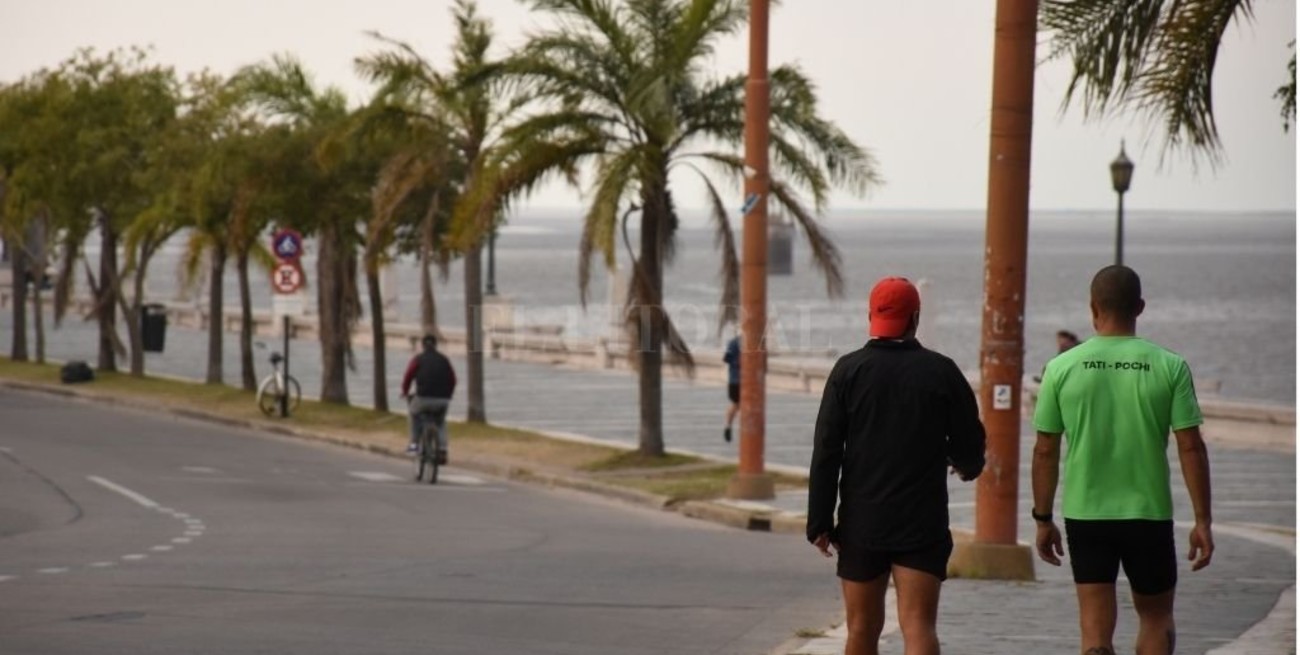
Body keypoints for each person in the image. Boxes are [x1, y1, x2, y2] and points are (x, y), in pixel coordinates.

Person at [1031, 265, 1214, 655]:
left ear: (1093, 308)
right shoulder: (1170, 366)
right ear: (1140, 307)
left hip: (1087, 513)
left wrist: (1043, 520)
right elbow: (1191, 447)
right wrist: (1202, 520)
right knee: (1156, 617)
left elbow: (1045, 449)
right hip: (1148, 512)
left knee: (1094, 633)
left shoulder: (1061, 369)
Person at [807, 276, 986, 655]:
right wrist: (966, 464)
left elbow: (826, 451)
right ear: (915, 318)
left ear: (870, 316)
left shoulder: (848, 371)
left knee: (860, 629)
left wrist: (819, 522)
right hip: (922, 521)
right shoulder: (942, 371)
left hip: (862, 521)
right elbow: (970, 438)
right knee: (918, 626)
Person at [401, 334, 457, 463]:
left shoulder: (418, 359)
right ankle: (442, 449)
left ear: (422, 345)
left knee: (413, 415)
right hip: (443, 400)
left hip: (423, 398)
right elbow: (453, 379)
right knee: (441, 422)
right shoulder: (445, 360)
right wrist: (449, 394)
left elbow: (408, 377)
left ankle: (414, 446)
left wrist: (405, 392)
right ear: (435, 345)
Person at [722, 333, 740, 443]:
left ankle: (728, 425)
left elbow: (726, 358)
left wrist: (734, 363)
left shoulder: (733, 342)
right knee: (744, 405)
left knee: (735, 404)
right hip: (744, 380)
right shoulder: (756, 341)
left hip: (733, 380)